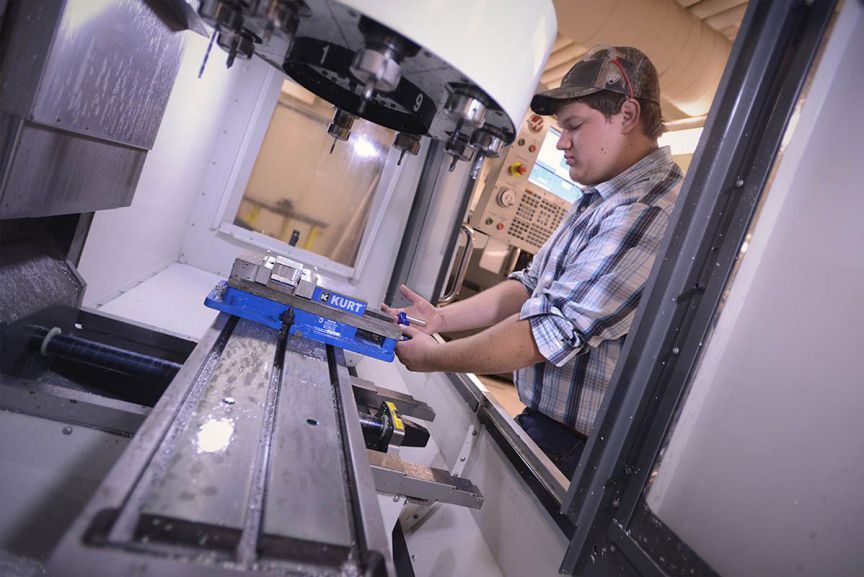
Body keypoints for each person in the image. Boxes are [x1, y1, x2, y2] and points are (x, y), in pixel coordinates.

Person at [383, 45, 683, 478]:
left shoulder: (650, 211)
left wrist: (433, 359)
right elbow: (528, 283)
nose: (561, 143)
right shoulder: (600, 197)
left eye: (574, 126)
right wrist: (440, 321)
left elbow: (544, 334)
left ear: (628, 115)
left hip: (582, 453)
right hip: (547, 428)